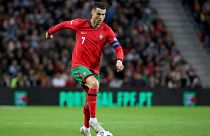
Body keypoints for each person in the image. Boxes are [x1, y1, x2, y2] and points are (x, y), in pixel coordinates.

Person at [45, 2, 124, 136]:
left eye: (103, 15)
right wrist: (50, 31)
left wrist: (119, 60)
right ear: (92, 13)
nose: (101, 17)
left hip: (94, 69)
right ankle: (93, 121)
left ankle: (86, 128)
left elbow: (117, 46)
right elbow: (64, 24)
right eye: (98, 14)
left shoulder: (106, 30)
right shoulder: (80, 24)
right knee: (94, 84)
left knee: (89, 101)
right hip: (78, 66)